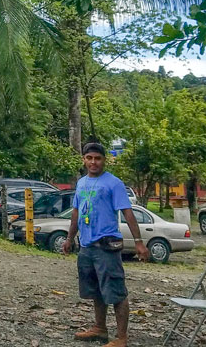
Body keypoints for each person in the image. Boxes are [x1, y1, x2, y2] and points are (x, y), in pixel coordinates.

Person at [63, 142, 149, 347]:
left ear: (104, 160)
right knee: (95, 290)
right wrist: (69, 238)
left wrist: (139, 242)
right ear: (84, 160)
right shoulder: (82, 183)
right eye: (89, 158)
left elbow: (128, 212)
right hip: (86, 245)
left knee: (116, 290)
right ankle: (100, 329)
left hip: (106, 244)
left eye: (98, 158)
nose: (93, 162)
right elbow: (76, 212)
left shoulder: (114, 183)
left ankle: (121, 338)